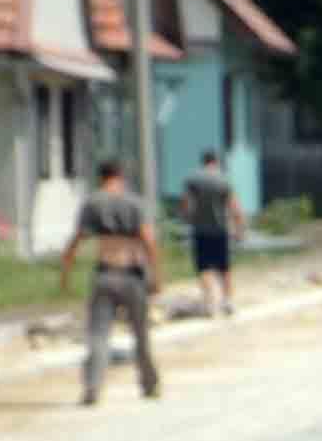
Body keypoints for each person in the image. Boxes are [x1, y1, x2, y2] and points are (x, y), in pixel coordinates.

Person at [72, 157, 160, 406]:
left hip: (104, 273)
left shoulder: (92, 203)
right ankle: (149, 383)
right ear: (120, 176)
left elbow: (77, 238)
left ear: (101, 177)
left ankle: (92, 386)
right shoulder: (134, 203)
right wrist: (157, 275)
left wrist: (66, 269)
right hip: (132, 274)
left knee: (98, 335)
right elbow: (148, 241)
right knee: (140, 333)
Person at [181, 154, 238, 319]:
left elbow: (186, 202)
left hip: (200, 229)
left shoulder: (193, 180)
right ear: (216, 162)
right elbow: (233, 205)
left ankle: (209, 304)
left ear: (203, 162)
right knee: (224, 267)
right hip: (220, 229)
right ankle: (228, 301)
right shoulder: (223, 179)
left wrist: (187, 218)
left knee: (204, 267)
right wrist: (239, 226)